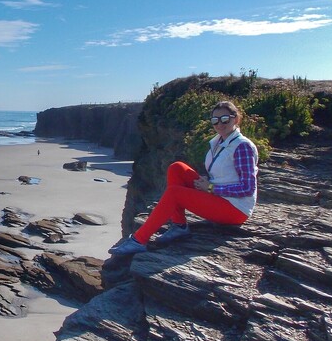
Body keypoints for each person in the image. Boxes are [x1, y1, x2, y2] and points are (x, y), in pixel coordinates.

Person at [109, 101, 258, 255]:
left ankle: (139, 240)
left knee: (175, 193)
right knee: (177, 168)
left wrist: (211, 187)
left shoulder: (242, 146)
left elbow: (248, 188)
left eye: (225, 119)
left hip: (235, 209)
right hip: (219, 196)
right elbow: (225, 172)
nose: (220, 124)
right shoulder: (220, 142)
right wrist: (208, 182)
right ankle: (179, 226)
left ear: (236, 119)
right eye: (215, 120)